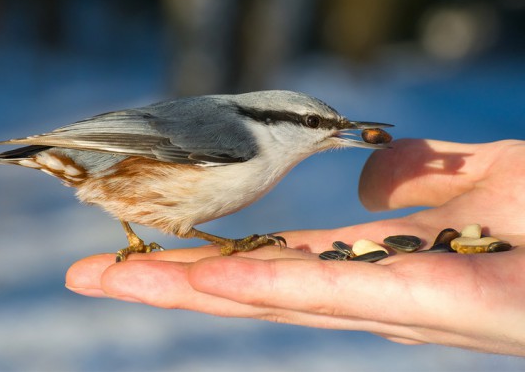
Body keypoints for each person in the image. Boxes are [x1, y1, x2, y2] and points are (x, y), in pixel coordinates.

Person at [65, 139, 525, 357]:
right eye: (310, 125)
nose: (332, 133)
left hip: (114, 181)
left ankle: (135, 236)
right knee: (186, 227)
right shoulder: (235, 140)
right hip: (105, 161)